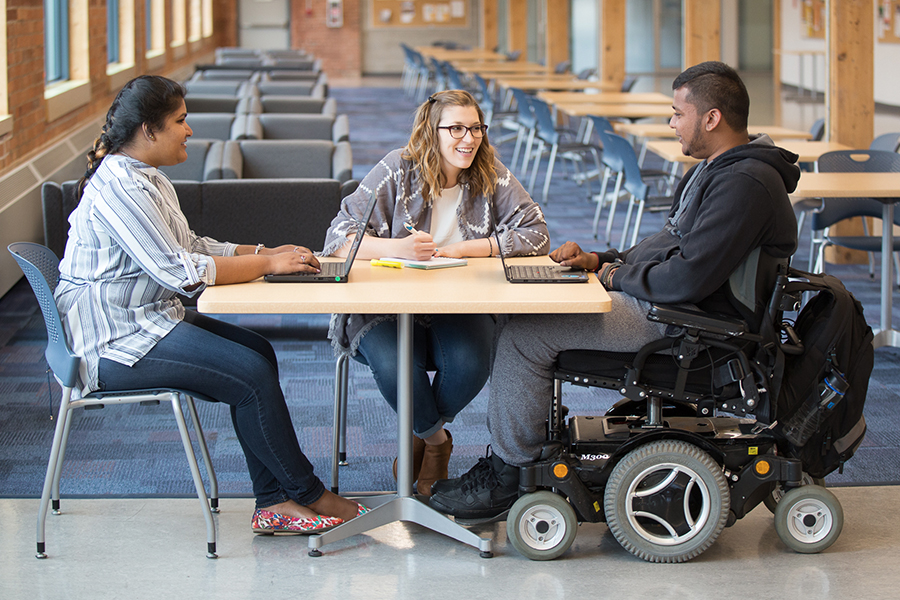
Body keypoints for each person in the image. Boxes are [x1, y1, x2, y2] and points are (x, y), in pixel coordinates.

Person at [428, 62, 801, 519]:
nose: (671, 123)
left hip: (691, 325)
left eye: (677, 113)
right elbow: (669, 246)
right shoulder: (718, 170)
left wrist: (613, 278)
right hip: (670, 305)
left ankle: (511, 471)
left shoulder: (743, 183)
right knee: (516, 315)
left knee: (525, 336)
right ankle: (520, 450)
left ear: (711, 118)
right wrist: (603, 260)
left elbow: (686, 278)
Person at [55, 75, 366, 534]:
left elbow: (192, 245)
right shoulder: (120, 187)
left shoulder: (148, 178)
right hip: (113, 341)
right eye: (180, 121)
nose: (189, 131)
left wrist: (262, 253)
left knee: (257, 353)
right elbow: (181, 272)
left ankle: (271, 502)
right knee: (251, 375)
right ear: (149, 130)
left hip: (146, 320)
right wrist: (270, 265)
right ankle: (308, 493)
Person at [323, 89, 549, 496]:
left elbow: (537, 234)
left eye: (476, 128)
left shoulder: (489, 172)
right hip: (385, 307)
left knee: (469, 364)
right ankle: (436, 442)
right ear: (432, 131)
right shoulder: (397, 168)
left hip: (459, 305)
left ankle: (417, 430)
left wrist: (468, 247)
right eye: (457, 128)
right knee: (395, 365)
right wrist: (397, 248)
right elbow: (338, 237)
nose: (469, 138)